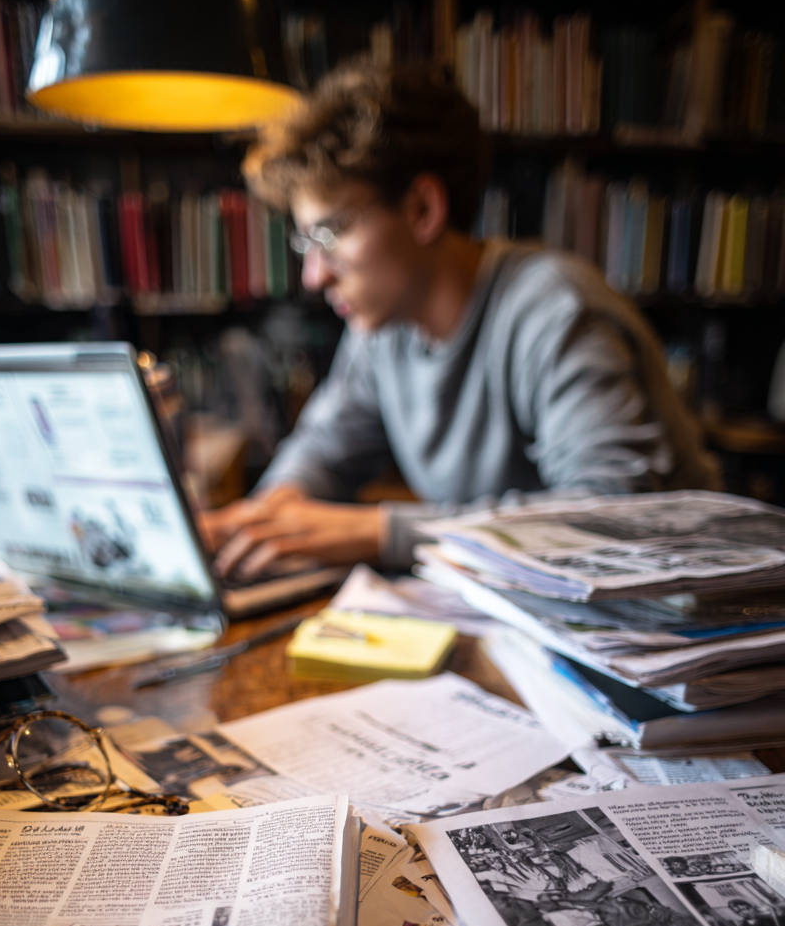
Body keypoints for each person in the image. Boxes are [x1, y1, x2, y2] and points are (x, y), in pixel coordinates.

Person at [200, 64, 720, 578]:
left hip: (673, 610)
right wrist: (269, 514)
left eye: (330, 234)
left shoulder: (553, 308)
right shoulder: (381, 327)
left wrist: (381, 533)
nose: (314, 276)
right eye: (306, 243)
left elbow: (610, 511)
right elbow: (323, 450)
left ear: (423, 209)